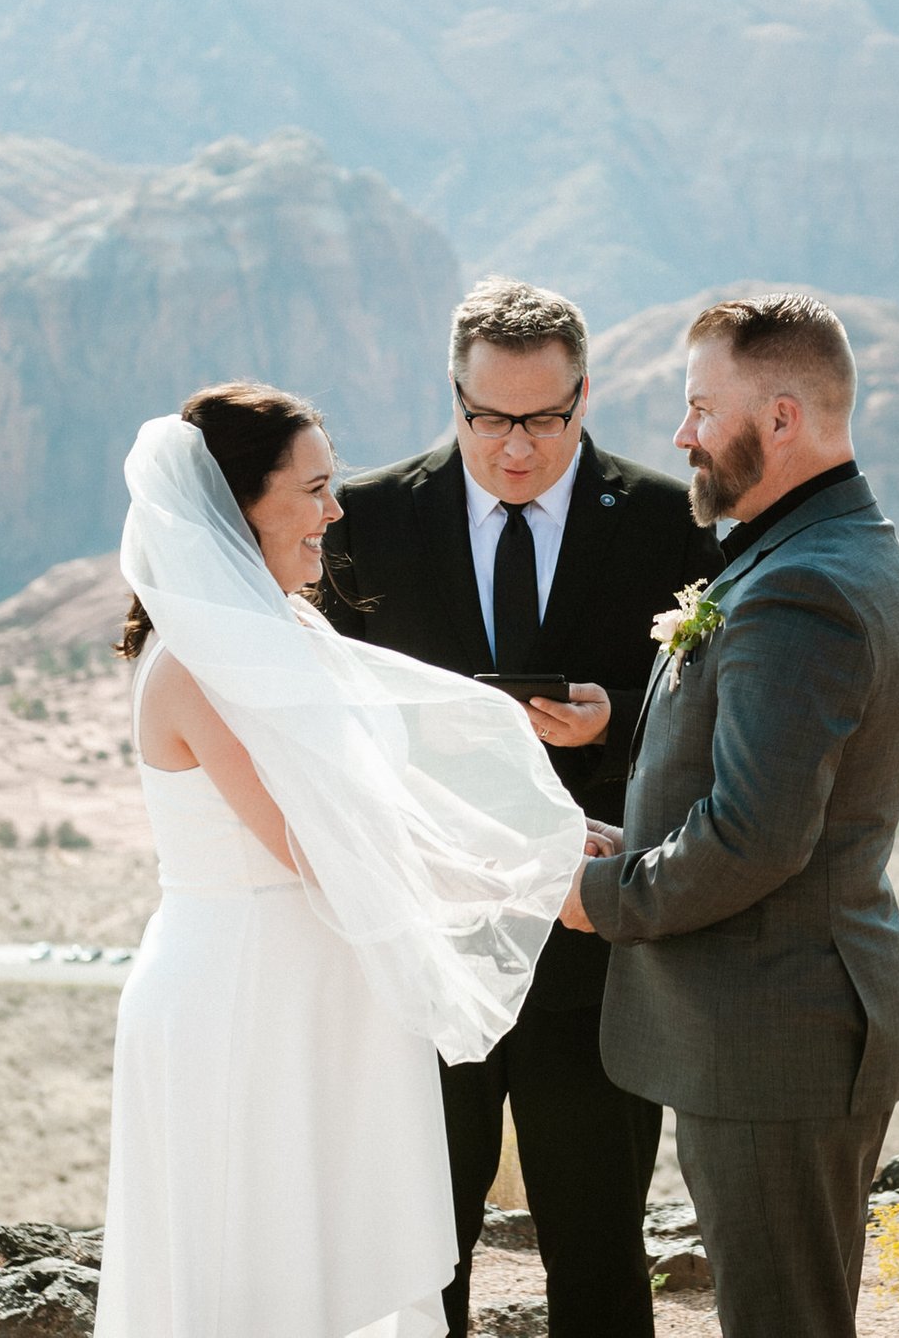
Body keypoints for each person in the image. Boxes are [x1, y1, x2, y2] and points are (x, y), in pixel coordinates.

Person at [96, 382, 589, 1338]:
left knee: (321, 1257)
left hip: (321, 988)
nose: (336, 510)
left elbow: (388, 798)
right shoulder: (197, 664)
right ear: (240, 506)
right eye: (314, 489)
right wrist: (524, 876)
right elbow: (316, 843)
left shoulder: (288, 630)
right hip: (243, 997)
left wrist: (552, 836)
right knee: (258, 1264)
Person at [321, 279, 720, 1338]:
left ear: (584, 395)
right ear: (451, 394)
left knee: (596, 1248)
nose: (513, 447)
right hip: (423, 944)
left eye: (543, 418)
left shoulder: (664, 520)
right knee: (418, 1247)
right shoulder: (363, 518)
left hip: (591, 949)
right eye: (488, 416)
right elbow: (322, 714)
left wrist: (617, 715)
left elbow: (726, 696)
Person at [564, 294, 899, 1338]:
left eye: (698, 407)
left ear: (779, 419)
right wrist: (631, 841)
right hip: (784, 1020)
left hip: (777, 1031)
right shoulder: (833, 545)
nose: (681, 435)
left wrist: (601, 894)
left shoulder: (801, 584)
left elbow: (756, 835)